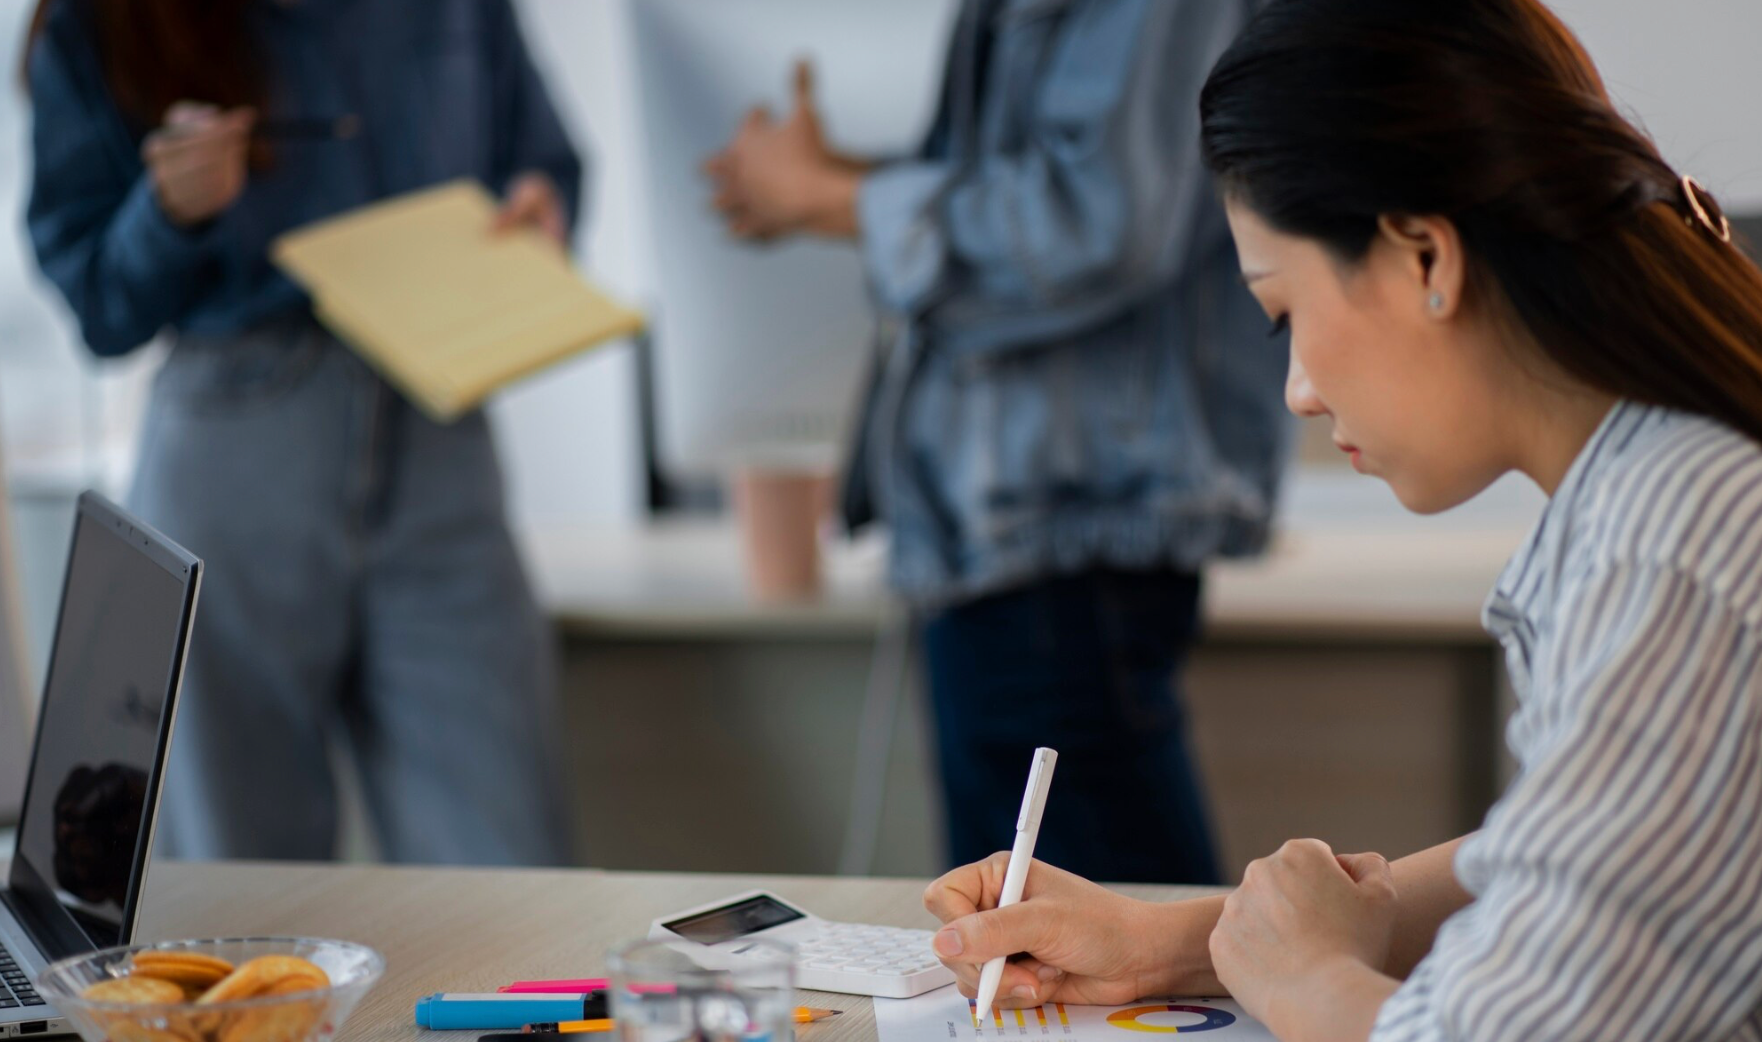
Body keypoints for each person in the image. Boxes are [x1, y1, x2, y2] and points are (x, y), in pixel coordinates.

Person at [922, 1, 1762, 1042]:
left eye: (1283, 317)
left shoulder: (1671, 549)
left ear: (1425, 255)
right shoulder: (1656, 492)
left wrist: (1306, 973)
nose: (1300, 394)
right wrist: (1182, 943)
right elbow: (1586, 868)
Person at [705, 0, 1288, 884]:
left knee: (1108, 971)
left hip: (1063, 525)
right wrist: (846, 187)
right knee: (1053, 958)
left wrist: (837, 199)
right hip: (1013, 528)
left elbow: (1101, 221)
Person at [22, 0, 579, 865]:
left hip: (436, 425)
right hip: (235, 440)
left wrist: (541, 206)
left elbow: (543, 159)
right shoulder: (97, 24)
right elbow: (100, 309)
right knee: (238, 883)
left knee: (512, 857)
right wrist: (167, 214)